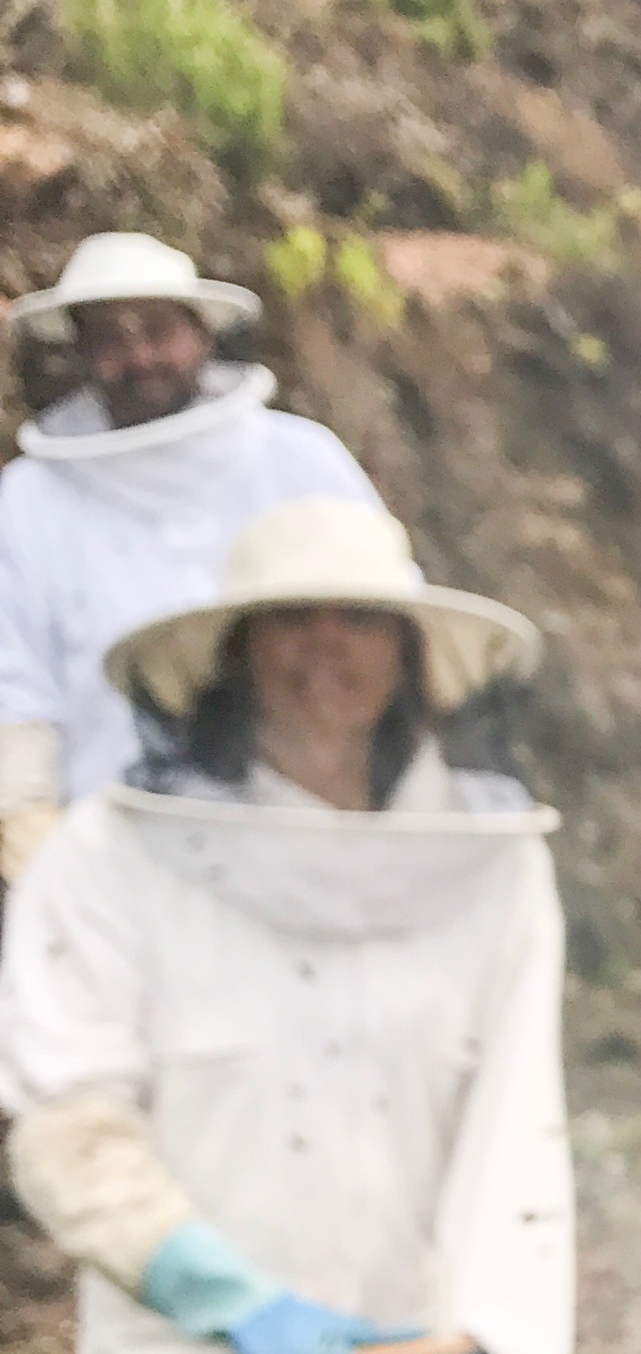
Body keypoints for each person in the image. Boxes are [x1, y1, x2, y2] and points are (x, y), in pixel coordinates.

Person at [0, 497, 572, 1354]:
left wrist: (492, 1336)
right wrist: (244, 1310)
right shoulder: (106, 860)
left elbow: (516, 1120)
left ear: (413, 652)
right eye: (290, 622)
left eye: (359, 619)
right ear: (234, 655)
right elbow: (67, 1133)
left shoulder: (489, 861)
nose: (328, 650)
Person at [0, 232, 383, 882]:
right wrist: (42, 851)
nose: (139, 355)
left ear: (203, 334)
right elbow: (14, 694)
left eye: (158, 329)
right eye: (110, 339)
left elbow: (389, 639)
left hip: (315, 855)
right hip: (117, 867)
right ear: (83, 352)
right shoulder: (29, 504)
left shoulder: (301, 462)